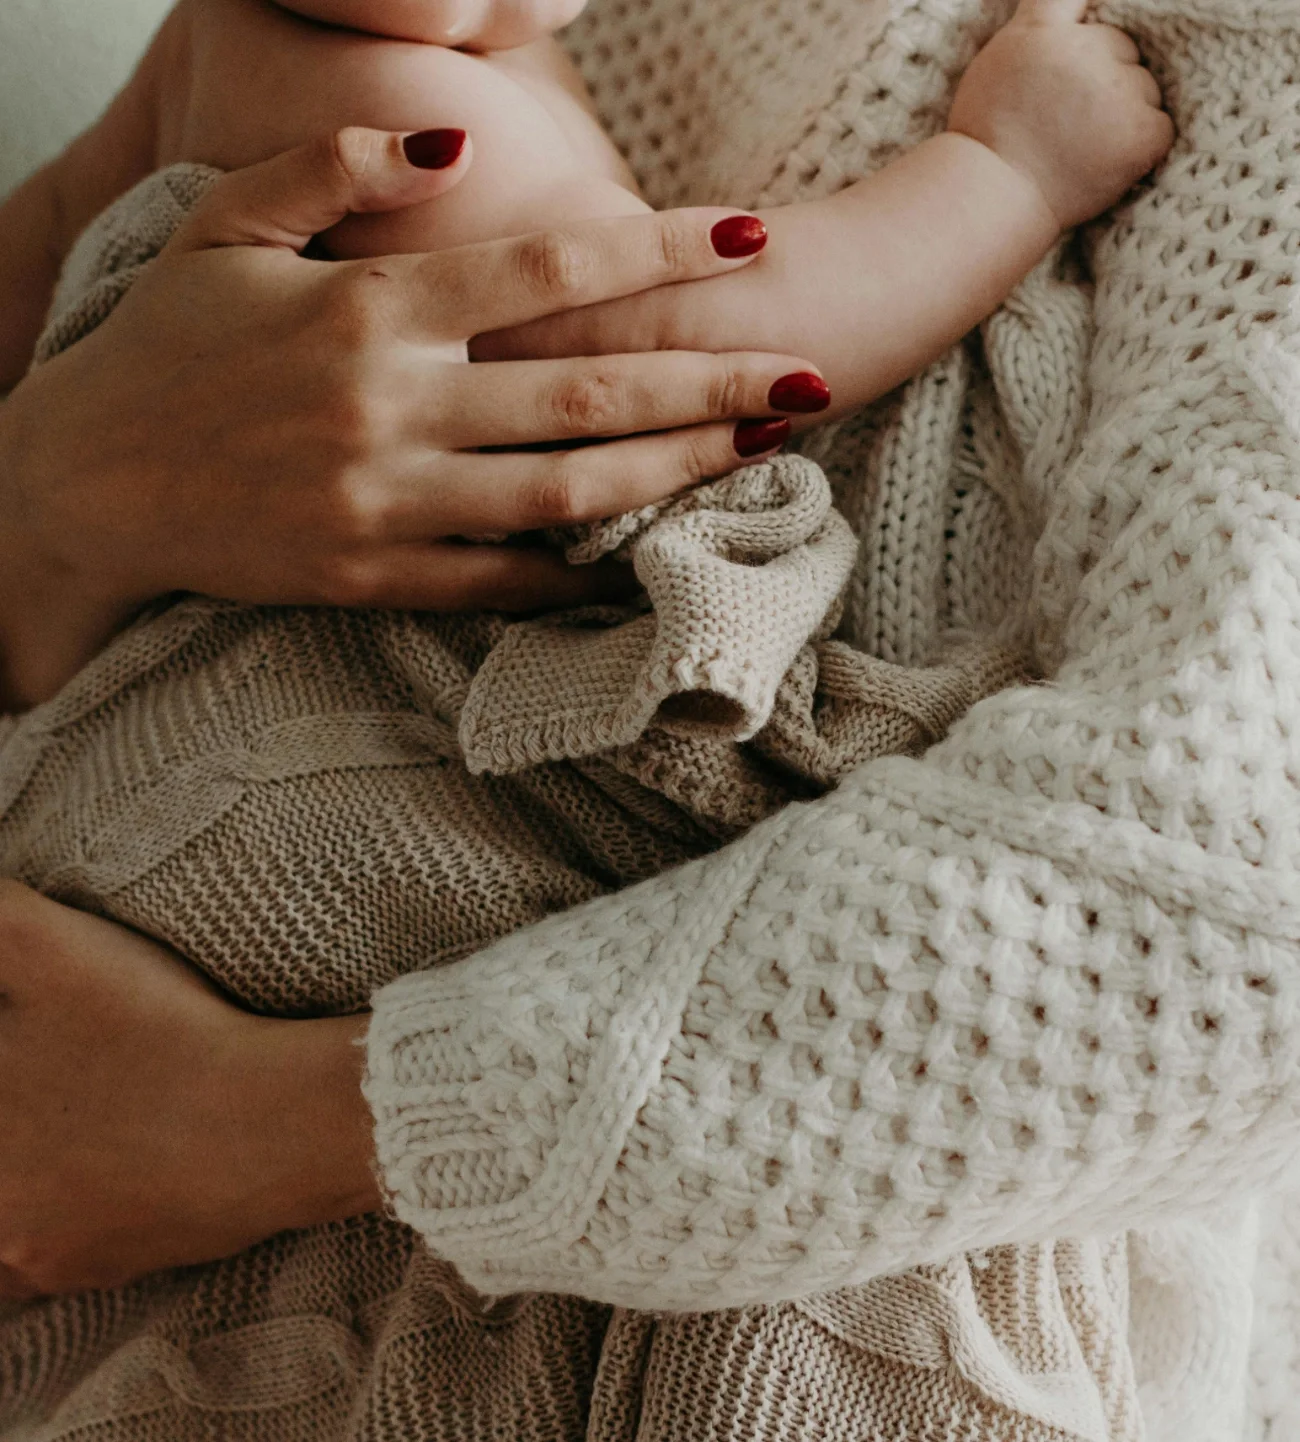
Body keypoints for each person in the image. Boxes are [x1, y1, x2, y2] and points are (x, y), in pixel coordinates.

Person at [4, 0, 1300, 1436]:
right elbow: (675, 344)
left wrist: (250, 1122)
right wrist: (1002, 174)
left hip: (613, 1098)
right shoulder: (384, 83)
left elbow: (1219, 909)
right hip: (357, 794)